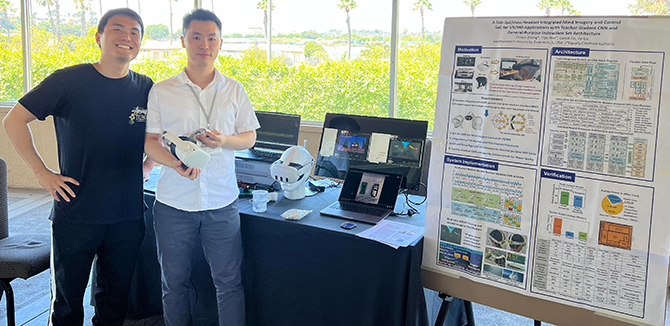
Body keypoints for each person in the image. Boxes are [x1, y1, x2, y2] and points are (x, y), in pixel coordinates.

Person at [2, 8, 154, 326]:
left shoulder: (145, 87)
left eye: (135, 32)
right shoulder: (69, 81)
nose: (127, 37)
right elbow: (14, 120)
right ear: (99, 37)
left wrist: (148, 164)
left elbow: (159, 133)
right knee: (68, 306)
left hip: (128, 214)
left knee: (114, 303)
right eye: (118, 29)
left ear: (140, 42)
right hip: (77, 212)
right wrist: (42, 172)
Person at [143, 8, 258, 326]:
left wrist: (224, 141)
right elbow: (150, 141)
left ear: (221, 44)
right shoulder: (162, 91)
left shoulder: (233, 89)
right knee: (173, 284)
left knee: (229, 284)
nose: (204, 44)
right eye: (196, 37)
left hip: (222, 202)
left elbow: (249, 137)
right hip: (173, 203)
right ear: (183, 41)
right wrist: (175, 163)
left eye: (211, 38)